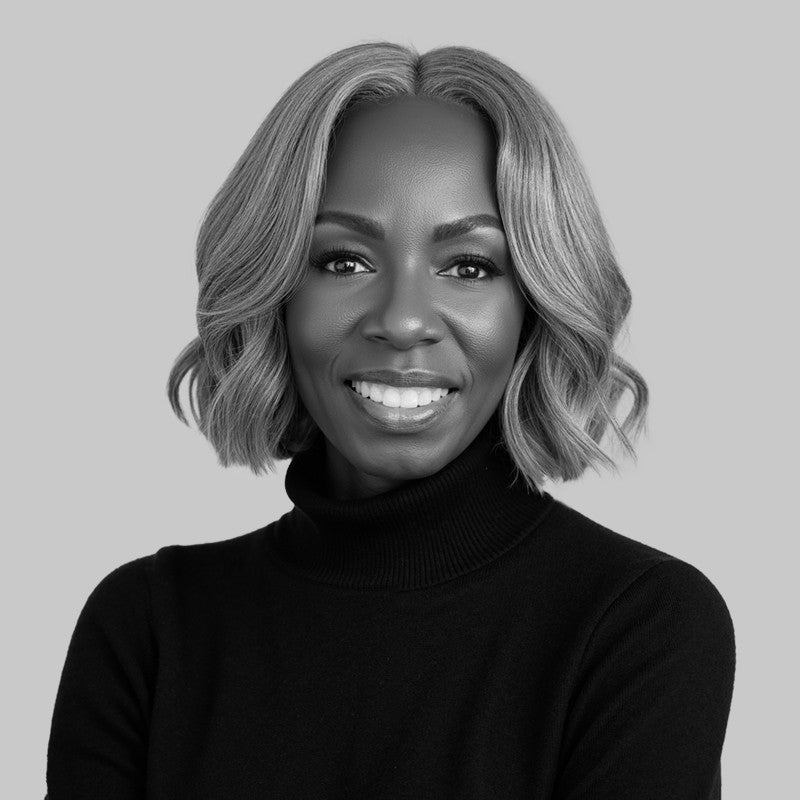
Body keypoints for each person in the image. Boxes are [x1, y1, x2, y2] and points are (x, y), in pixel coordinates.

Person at [45, 42, 736, 798]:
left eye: (469, 267)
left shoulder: (639, 627)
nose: (403, 321)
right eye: (343, 261)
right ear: (274, 291)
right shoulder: (148, 631)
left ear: (534, 307)